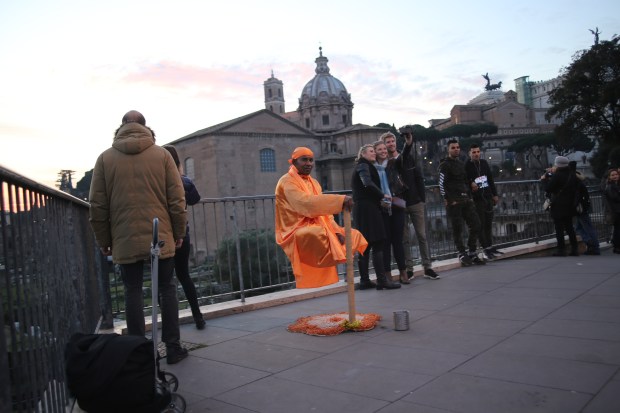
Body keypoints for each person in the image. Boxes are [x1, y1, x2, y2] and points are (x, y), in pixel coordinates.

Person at [89, 110, 189, 364]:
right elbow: (177, 199)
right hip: (160, 233)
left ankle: (139, 353)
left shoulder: (104, 159)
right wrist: (179, 232)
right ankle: (173, 348)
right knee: (167, 288)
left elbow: (97, 205)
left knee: (132, 290)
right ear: (146, 127)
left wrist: (104, 240)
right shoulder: (162, 155)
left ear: (121, 127)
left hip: (124, 237)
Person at [275, 147, 368, 288]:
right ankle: (334, 255)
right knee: (318, 233)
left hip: (319, 224)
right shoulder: (286, 182)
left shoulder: (314, 182)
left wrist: (336, 231)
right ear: (294, 162)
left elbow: (324, 212)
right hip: (294, 230)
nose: (308, 163)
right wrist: (339, 200)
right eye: (304, 160)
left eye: (311, 160)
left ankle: (341, 257)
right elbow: (306, 204)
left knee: (352, 234)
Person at [163, 145, 206, 329]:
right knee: (184, 275)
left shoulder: (158, 181)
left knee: (164, 281)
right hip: (182, 232)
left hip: (164, 234)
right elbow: (195, 199)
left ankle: (169, 323)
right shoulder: (183, 180)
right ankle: (198, 317)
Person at [352, 144, 400, 290]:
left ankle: (365, 280)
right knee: (378, 242)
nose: (374, 153)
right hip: (369, 209)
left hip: (362, 209)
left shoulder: (362, 165)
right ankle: (382, 280)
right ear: (363, 154)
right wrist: (382, 195)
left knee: (365, 245)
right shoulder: (363, 165)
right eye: (371, 151)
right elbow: (367, 183)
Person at [395, 131, 440, 280]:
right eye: (387, 142)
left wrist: (422, 199)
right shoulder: (388, 162)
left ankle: (427, 267)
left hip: (415, 201)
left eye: (392, 141)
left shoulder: (407, 158)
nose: (390, 144)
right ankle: (409, 269)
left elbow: (419, 177)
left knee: (422, 235)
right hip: (399, 203)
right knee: (405, 238)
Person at [438, 139, 484, 266]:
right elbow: (441, 184)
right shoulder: (444, 165)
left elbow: (465, 180)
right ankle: (462, 253)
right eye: (453, 148)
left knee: (476, 224)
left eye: (457, 147)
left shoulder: (460, 164)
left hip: (466, 200)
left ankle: (472, 252)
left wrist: (469, 195)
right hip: (454, 202)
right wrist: (448, 199)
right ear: (448, 150)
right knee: (457, 229)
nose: (456, 149)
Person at [373, 140, 409, 284]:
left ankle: (403, 272)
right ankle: (387, 274)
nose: (383, 151)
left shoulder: (393, 163)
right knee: (386, 242)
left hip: (396, 204)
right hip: (381, 207)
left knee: (398, 240)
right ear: (375, 152)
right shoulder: (372, 168)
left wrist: (408, 142)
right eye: (379, 149)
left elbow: (404, 155)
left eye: (384, 149)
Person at [465, 143, 502, 260]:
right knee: (480, 225)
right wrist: (470, 183)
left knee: (488, 224)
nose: (476, 154)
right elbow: (464, 180)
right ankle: (485, 248)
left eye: (478, 152)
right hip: (477, 200)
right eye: (474, 152)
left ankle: (489, 246)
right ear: (469, 153)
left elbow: (490, 179)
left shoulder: (484, 163)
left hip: (488, 197)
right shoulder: (467, 166)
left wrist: (495, 194)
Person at [540, 156, 580, 256]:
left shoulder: (557, 175)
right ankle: (575, 249)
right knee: (570, 227)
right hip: (570, 204)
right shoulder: (572, 174)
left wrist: (543, 180)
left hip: (558, 205)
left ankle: (561, 250)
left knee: (559, 228)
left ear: (558, 164)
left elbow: (548, 188)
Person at [569, 161, 600, 255]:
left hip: (580, 207)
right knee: (579, 227)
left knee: (587, 227)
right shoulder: (579, 177)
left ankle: (594, 246)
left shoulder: (573, 179)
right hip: (583, 206)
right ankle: (590, 244)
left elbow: (576, 195)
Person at [604, 168, 620, 253]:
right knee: (617, 229)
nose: (615, 176)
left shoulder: (615, 185)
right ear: (609, 177)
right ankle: (617, 247)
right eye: (612, 175)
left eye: (616, 174)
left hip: (616, 210)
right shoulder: (611, 186)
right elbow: (615, 198)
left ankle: (616, 246)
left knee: (617, 229)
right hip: (616, 211)